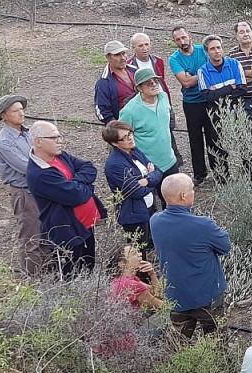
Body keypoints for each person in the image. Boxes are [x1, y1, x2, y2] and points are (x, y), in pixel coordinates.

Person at [150, 174, 231, 338]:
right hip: (206, 295)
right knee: (217, 339)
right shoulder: (203, 225)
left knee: (180, 341)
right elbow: (225, 246)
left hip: (176, 295)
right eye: (192, 189)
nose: (194, 192)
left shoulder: (155, 221)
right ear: (183, 195)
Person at [26, 121, 106, 277]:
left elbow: (89, 167)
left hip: (84, 226)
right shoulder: (40, 174)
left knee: (88, 266)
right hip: (68, 233)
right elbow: (76, 196)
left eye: (59, 136)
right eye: (54, 138)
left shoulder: (60, 156)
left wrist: (75, 183)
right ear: (38, 141)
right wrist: (88, 187)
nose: (60, 141)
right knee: (73, 274)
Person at [0, 94, 47, 275]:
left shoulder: (29, 132)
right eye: (15, 111)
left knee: (46, 234)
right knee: (31, 239)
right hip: (24, 193)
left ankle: (50, 276)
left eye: (21, 109)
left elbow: (47, 151)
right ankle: (34, 280)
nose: (21, 113)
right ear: (3, 116)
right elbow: (27, 167)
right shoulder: (4, 141)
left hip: (40, 189)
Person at [118, 68, 179, 209]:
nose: (154, 85)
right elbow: (121, 137)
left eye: (155, 81)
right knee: (149, 204)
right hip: (149, 167)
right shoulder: (130, 111)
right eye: (148, 83)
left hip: (170, 160)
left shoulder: (163, 97)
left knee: (173, 201)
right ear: (139, 88)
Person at [102, 120, 163, 251]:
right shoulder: (115, 165)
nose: (130, 138)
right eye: (124, 137)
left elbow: (158, 171)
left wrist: (146, 180)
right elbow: (136, 191)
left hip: (148, 207)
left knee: (152, 241)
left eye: (130, 133)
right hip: (134, 214)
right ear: (114, 143)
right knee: (138, 251)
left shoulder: (134, 151)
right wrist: (151, 177)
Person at [128, 32, 183, 165]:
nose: (144, 48)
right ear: (133, 48)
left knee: (167, 131)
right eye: (140, 45)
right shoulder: (129, 65)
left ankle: (173, 161)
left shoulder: (157, 60)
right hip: (145, 105)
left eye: (147, 44)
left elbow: (161, 80)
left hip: (162, 102)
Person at [198, 34, 247, 183]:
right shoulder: (202, 71)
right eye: (212, 49)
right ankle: (223, 180)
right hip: (216, 114)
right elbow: (207, 95)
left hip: (236, 110)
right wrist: (230, 87)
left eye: (218, 47)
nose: (217, 51)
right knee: (219, 148)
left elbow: (242, 88)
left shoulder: (234, 64)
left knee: (244, 144)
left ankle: (248, 176)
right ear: (207, 52)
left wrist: (218, 92)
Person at [169, 26, 211, 185]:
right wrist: (204, 73)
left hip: (209, 100)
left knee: (214, 137)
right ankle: (200, 174)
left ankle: (220, 171)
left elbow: (214, 71)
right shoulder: (174, 59)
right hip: (191, 103)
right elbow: (185, 83)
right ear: (174, 41)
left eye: (184, 37)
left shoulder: (203, 50)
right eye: (178, 39)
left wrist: (194, 76)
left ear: (190, 36)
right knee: (195, 139)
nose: (182, 41)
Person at [95, 40, 137, 124]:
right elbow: (102, 110)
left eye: (123, 53)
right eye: (117, 55)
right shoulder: (104, 82)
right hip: (125, 126)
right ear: (108, 57)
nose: (123, 58)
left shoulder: (135, 71)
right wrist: (116, 127)